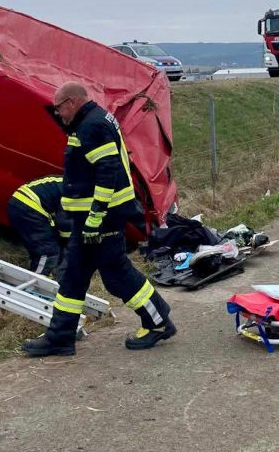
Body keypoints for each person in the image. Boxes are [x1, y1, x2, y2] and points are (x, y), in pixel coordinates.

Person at [22, 82, 176, 357]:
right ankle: (60, 337)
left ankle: (158, 321)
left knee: (116, 275)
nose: (58, 114)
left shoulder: (92, 126)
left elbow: (108, 172)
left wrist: (95, 216)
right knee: (73, 276)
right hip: (89, 219)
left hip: (101, 218)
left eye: (59, 108)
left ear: (72, 102)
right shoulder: (91, 121)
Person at [7, 175, 71, 278]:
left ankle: (40, 274)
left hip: (24, 204)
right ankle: (37, 283)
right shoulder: (79, 192)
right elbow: (65, 223)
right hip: (29, 208)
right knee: (48, 252)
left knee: (45, 248)